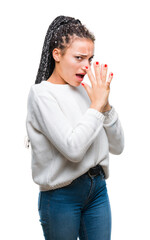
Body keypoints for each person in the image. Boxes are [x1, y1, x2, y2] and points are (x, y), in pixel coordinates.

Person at [25, 15, 124, 240]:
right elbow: (73, 149)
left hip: (97, 190)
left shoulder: (87, 91)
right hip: (61, 196)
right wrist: (97, 106)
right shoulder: (41, 94)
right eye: (79, 58)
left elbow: (118, 146)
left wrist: (106, 105)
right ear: (56, 54)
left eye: (90, 58)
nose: (86, 67)